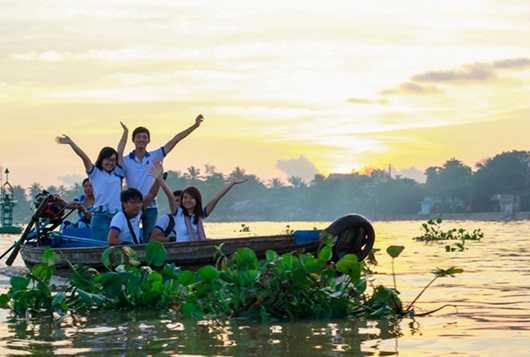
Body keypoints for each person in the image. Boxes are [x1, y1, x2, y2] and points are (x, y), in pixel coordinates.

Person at [121, 114, 204, 243]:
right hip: (133, 206)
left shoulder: (155, 156)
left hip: (151, 206)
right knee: (130, 237)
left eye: (144, 137)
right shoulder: (126, 161)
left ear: (149, 140)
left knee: (149, 239)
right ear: (133, 140)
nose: (141, 140)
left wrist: (195, 125)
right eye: (138, 137)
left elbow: (175, 139)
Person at [56, 123, 128, 242]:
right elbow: (84, 158)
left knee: (118, 249)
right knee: (102, 248)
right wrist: (71, 142)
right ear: (102, 159)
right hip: (100, 217)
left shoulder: (117, 172)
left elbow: (120, 149)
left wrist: (125, 132)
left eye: (113, 160)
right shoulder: (95, 173)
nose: (110, 163)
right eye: (107, 159)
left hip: (117, 216)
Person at [151, 177, 247, 243]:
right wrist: (160, 180)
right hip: (182, 249)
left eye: (191, 198)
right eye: (185, 198)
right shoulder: (178, 213)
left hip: (196, 249)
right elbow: (170, 196)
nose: (187, 201)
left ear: (197, 200)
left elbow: (216, 199)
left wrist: (231, 183)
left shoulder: (199, 215)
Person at [107, 159, 170, 246]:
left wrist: (158, 179)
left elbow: (151, 194)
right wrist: (128, 244)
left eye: (139, 202)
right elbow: (111, 240)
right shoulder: (119, 218)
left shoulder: (138, 213)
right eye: (132, 202)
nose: (137, 205)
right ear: (124, 204)